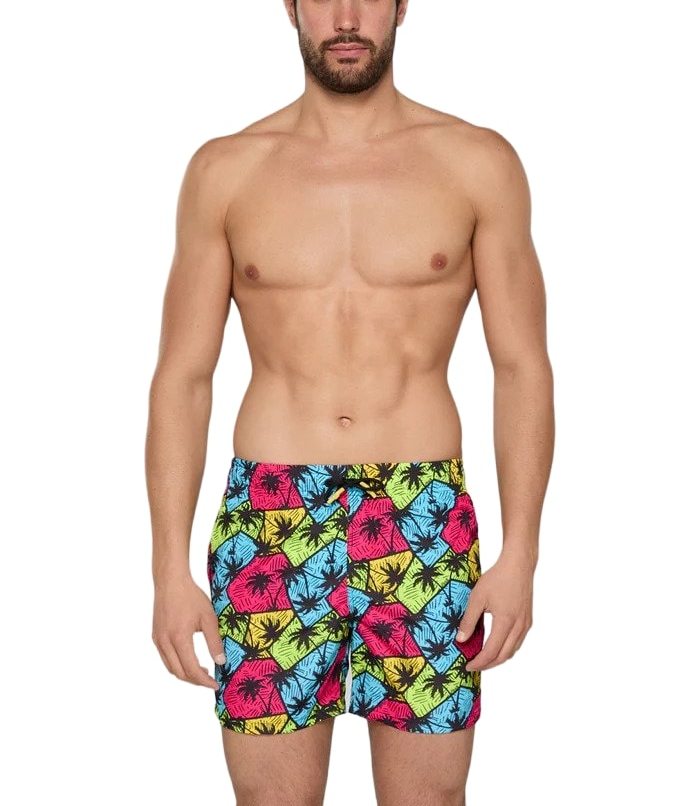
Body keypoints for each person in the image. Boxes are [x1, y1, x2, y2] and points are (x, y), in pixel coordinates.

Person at [145, 0, 554, 803]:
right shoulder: (226, 171)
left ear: (402, 6)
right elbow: (183, 376)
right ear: (290, 7)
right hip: (271, 516)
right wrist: (168, 567)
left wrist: (522, 555)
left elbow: (522, 367)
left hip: (422, 515)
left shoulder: (476, 163)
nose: (345, 16)